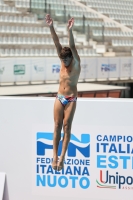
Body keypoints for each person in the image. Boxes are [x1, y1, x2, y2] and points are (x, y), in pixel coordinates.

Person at [45, 14, 81, 171]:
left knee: (67, 127)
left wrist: (70, 31)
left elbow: (72, 47)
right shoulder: (62, 59)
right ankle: (54, 156)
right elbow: (56, 42)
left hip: (71, 99)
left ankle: (63, 158)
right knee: (57, 125)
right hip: (60, 97)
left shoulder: (76, 62)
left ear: (71, 58)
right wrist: (51, 26)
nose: (64, 63)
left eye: (66, 60)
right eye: (62, 60)